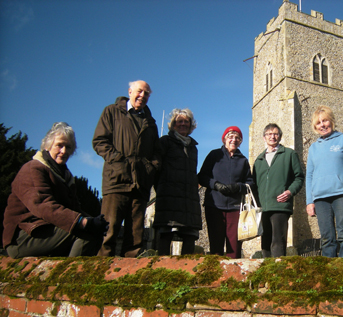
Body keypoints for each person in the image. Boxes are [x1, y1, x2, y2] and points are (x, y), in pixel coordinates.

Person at [3, 122, 108, 258]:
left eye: (68, 147)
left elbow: (74, 209)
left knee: (95, 234)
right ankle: (69, 277)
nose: (64, 151)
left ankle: (66, 270)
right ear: (48, 146)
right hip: (24, 236)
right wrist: (83, 222)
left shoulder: (65, 177)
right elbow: (42, 205)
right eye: (59, 145)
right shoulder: (33, 168)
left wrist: (94, 221)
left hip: (48, 232)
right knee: (85, 235)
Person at [93, 80, 160, 257]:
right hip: (116, 180)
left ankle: (129, 276)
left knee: (135, 238)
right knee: (109, 231)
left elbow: (156, 152)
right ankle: (100, 274)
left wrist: (149, 168)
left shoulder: (150, 122)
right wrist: (119, 162)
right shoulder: (112, 111)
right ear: (130, 91)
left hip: (140, 183)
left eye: (146, 93)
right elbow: (99, 141)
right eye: (139, 91)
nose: (143, 96)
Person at [306, 106, 343, 258]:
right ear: (315, 126)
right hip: (320, 198)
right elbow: (309, 175)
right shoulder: (313, 148)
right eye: (318, 123)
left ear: (331, 121)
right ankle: (329, 272)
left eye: (325, 120)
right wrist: (309, 202)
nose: (322, 125)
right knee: (326, 238)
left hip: (341, 194)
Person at [198, 126, 253, 258]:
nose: (233, 140)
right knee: (216, 247)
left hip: (235, 208)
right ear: (224, 139)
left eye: (237, 138)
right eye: (230, 137)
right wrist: (215, 185)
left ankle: (234, 276)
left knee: (234, 248)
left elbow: (250, 183)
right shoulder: (214, 155)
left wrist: (238, 187)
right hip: (214, 206)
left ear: (240, 142)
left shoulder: (243, 160)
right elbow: (202, 177)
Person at [154, 108, 202, 255]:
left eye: (186, 122)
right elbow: (156, 168)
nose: (183, 124)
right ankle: (161, 271)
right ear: (173, 124)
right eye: (179, 121)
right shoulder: (165, 142)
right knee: (166, 236)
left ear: (190, 125)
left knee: (189, 237)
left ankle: (186, 273)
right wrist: (162, 188)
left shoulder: (193, 147)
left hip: (189, 200)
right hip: (170, 198)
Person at [253, 123, 304, 258]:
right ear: (264, 138)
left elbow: (299, 177)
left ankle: (278, 274)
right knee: (265, 244)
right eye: (269, 134)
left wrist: (289, 192)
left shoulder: (289, 154)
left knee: (278, 243)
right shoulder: (258, 160)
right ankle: (267, 275)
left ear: (280, 136)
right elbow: (254, 184)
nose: (272, 137)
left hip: (280, 206)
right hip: (263, 207)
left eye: (275, 134)